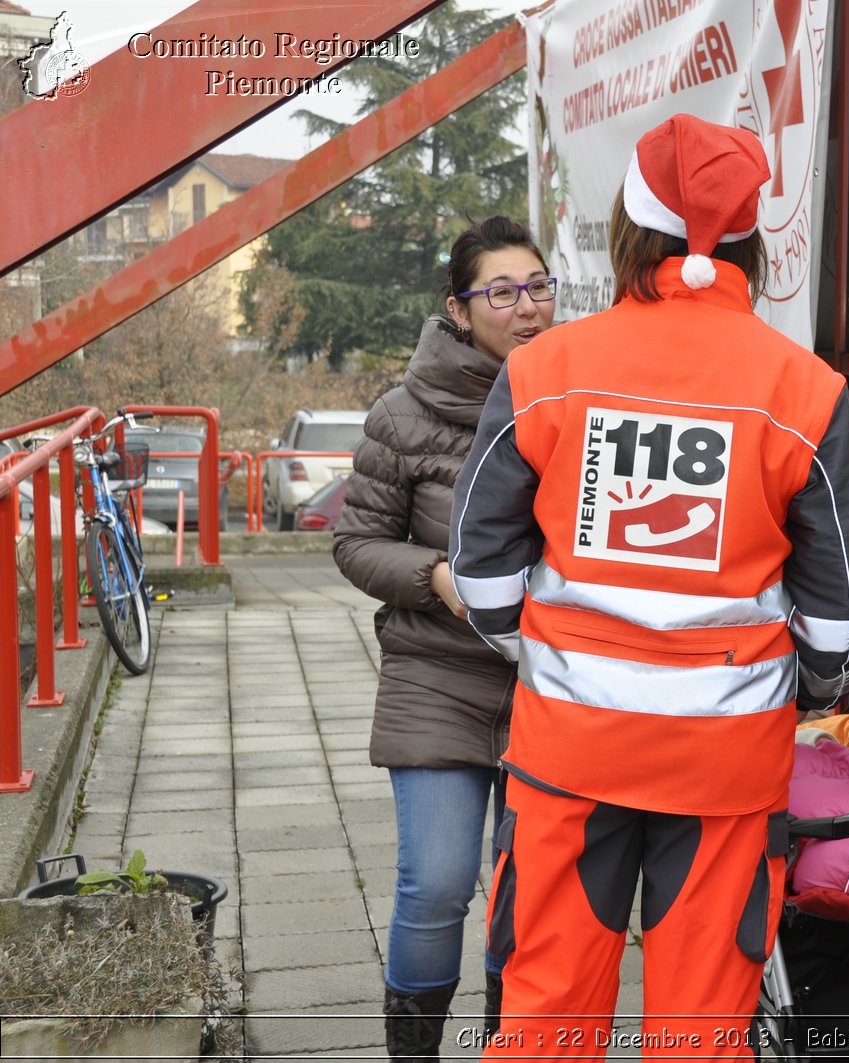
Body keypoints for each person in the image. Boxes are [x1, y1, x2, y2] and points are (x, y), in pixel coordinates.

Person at [449, 114, 849, 1056]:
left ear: (627, 232)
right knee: (703, 1023)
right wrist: (793, 689)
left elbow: (481, 578)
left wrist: (554, 655)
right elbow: (845, 618)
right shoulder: (804, 390)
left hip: (569, 751)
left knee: (545, 1012)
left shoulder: (545, 369)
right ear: (748, 243)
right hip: (726, 764)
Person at [332, 215, 557, 1060]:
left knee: (528, 895)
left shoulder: (577, 396)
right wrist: (434, 576)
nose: (526, 307)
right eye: (502, 292)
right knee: (436, 883)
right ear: (459, 310)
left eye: (538, 286)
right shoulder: (404, 414)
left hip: (550, 681)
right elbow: (356, 542)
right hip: (438, 674)